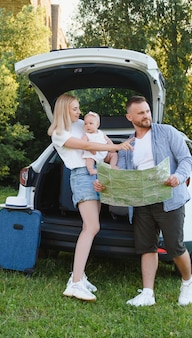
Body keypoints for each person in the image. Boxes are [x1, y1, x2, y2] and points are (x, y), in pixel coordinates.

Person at [94, 95, 192, 307]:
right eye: (141, 113)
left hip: (169, 199)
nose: (146, 115)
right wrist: (104, 184)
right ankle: (148, 293)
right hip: (141, 203)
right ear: (130, 117)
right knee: (146, 247)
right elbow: (119, 175)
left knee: (174, 247)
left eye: (147, 111)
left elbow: (186, 159)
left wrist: (178, 176)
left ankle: (187, 282)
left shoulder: (167, 132)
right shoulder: (127, 145)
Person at [48, 93, 133, 302]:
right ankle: (75, 283)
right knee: (91, 227)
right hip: (81, 175)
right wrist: (116, 147)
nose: (79, 112)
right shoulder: (58, 132)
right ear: (64, 109)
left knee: (93, 227)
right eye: (75, 108)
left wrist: (112, 156)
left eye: (79, 108)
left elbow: (100, 139)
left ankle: (79, 277)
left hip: (96, 172)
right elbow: (86, 147)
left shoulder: (81, 124)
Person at [81, 111, 118, 175]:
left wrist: (112, 147)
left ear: (97, 124)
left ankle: (113, 165)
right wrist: (90, 149)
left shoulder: (101, 133)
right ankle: (91, 170)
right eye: (85, 124)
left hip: (104, 153)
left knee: (114, 154)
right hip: (93, 154)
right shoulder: (86, 135)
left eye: (91, 123)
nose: (88, 126)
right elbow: (83, 144)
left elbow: (108, 140)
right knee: (89, 159)